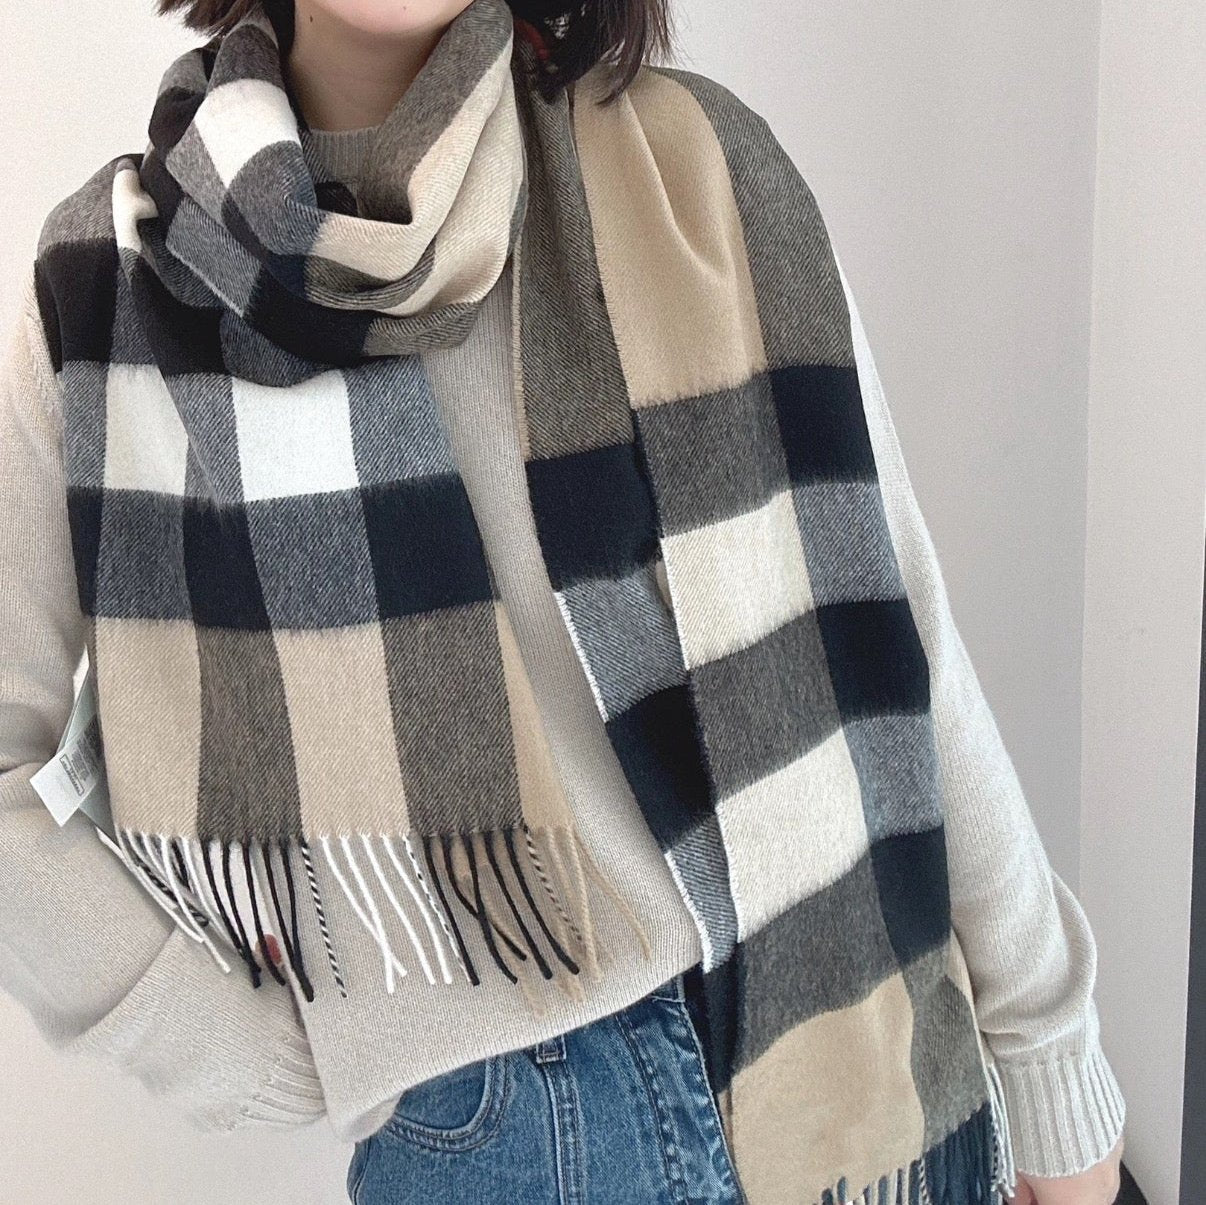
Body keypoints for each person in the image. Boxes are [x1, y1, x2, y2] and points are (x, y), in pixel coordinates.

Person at [0, 1, 1126, 1202]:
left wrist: (1051, 1049)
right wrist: (237, 1049)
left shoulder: (701, 176)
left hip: (850, 1052)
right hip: (508, 1143)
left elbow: (893, 639)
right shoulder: (109, 288)